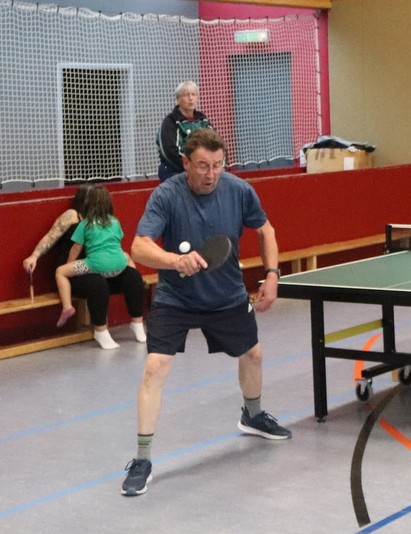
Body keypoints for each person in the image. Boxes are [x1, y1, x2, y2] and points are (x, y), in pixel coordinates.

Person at [121, 128, 290, 497]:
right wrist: (174, 261)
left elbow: (266, 231)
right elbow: (139, 247)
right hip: (176, 298)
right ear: (185, 163)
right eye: (202, 166)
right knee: (155, 366)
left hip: (226, 295)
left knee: (253, 354)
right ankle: (142, 459)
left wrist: (272, 274)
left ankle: (253, 415)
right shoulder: (166, 195)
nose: (211, 174)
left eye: (217, 165)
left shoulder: (239, 190)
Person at [23, 185, 147, 349]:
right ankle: (101, 330)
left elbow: (113, 245)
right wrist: (35, 255)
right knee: (97, 283)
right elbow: (51, 237)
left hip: (98, 266)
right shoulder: (73, 215)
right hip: (75, 269)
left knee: (133, 277)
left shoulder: (107, 220)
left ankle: (137, 322)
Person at [54, 187, 135, 328]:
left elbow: (76, 248)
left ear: (88, 204)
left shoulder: (85, 223)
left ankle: (67, 306)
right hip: (117, 265)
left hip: (96, 265)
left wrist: (69, 264)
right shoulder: (115, 222)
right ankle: (136, 279)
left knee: (60, 271)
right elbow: (118, 244)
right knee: (127, 257)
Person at [156, 80, 212, 182]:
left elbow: (215, 144)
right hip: (175, 170)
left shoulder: (203, 120)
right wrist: (191, 167)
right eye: (186, 95)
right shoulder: (170, 122)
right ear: (178, 99)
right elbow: (169, 152)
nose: (190, 98)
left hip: (201, 169)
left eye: (193, 94)